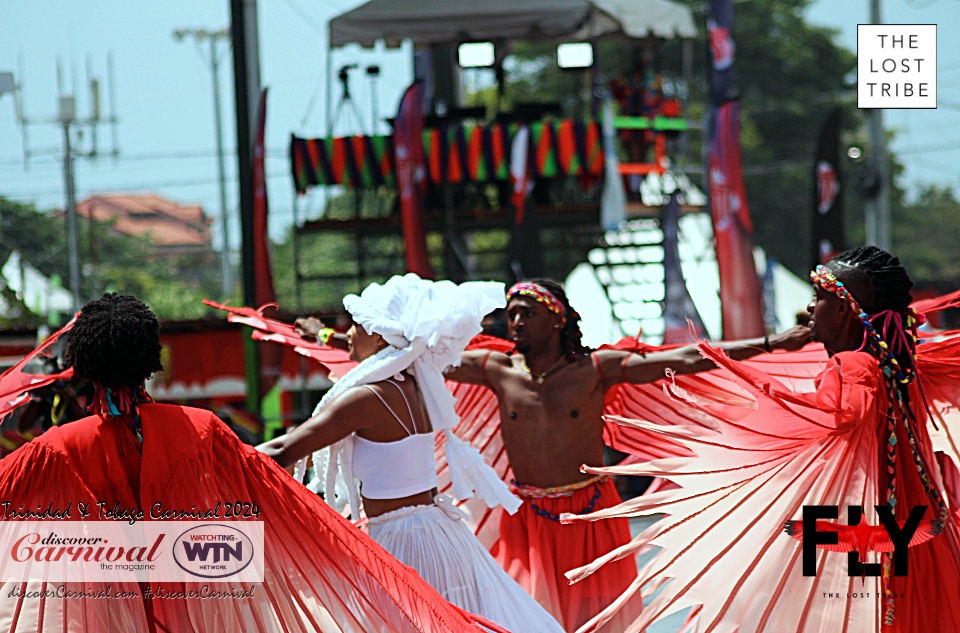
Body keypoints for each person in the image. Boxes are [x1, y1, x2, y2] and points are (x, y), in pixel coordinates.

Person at [0, 293, 502, 633]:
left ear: (82, 366)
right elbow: (275, 493)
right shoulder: (200, 429)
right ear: (153, 357)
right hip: (196, 588)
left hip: (101, 597)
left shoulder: (52, 449)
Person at [563, 246, 960, 632]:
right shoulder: (896, 365)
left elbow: (842, 412)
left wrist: (741, 405)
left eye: (819, 298)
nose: (809, 309)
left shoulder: (854, 365)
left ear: (842, 310)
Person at [444, 278, 811, 632]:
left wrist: (772, 342)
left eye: (528, 313)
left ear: (557, 319)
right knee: (525, 621)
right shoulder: (495, 369)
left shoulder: (595, 369)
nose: (517, 323)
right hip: (527, 520)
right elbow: (425, 361)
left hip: (590, 515)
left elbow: (687, 358)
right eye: (512, 315)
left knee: (599, 623)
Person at [260, 274, 565, 633]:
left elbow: (285, 448)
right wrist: (323, 335)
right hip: (439, 535)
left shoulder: (366, 398)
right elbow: (396, 347)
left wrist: (211, 448)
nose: (350, 332)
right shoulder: (417, 383)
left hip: (403, 543)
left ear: (377, 334)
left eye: (357, 325)